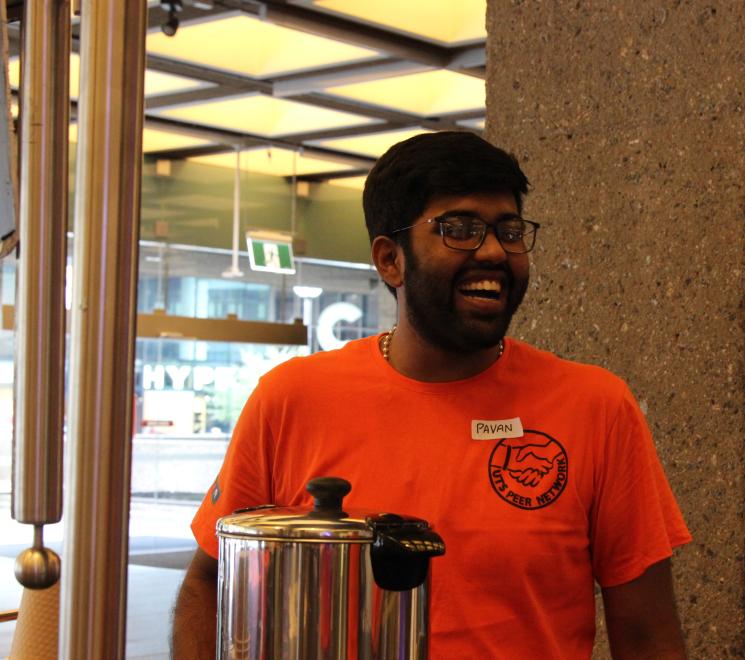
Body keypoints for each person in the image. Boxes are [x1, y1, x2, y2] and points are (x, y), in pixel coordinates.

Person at [171, 131, 692, 659]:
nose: (493, 251)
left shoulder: (595, 407)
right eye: (458, 229)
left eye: (509, 230)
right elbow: (209, 587)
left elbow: (648, 634)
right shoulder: (291, 398)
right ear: (390, 259)